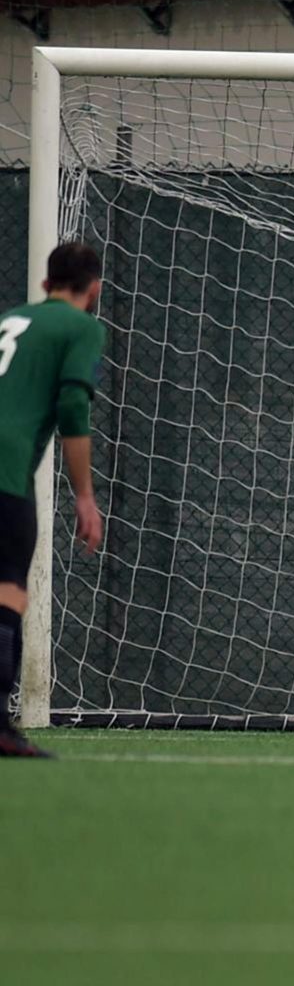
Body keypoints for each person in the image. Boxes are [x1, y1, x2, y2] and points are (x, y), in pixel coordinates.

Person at [0, 242, 107, 759]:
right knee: (8, 590)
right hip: (5, 467)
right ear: (95, 290)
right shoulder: (82, 327)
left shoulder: (11, 319)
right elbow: (72, 406)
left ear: (45, 285)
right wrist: (84, 496)